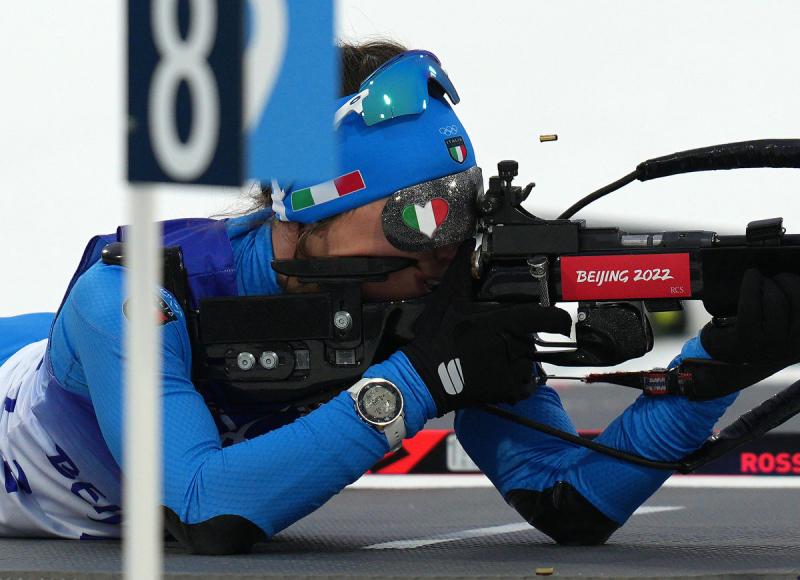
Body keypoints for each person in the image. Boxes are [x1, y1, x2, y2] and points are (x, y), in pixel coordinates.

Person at [0, 41, 798, 555]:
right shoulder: (135, 296)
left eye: (462, 204)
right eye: (418, 212)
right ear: (315, 204)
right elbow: (207, 510)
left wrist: (715, 368)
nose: (445, 245)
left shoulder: (425, 296)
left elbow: (571, 502)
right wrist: (424, 381)